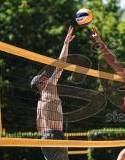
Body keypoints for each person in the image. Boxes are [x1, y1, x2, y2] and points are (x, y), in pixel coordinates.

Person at [30, 25, 75, 160]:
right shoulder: (49, 87)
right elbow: (61, 64)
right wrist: (65, 43)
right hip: (55, 136)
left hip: (45, 138)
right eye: (43, 77)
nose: (45, 76)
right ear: (40, 84)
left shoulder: (40, 102)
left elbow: (39, 126)